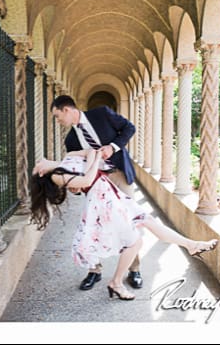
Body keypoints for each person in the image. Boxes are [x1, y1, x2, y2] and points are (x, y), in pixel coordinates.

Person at [30, 150, 217, 300]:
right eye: (37, 164)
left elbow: (90, 152)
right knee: (135, 243)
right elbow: (87, 178)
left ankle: (192, 245)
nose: (40, 159)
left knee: (148, 220)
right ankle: (116, 283)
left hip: (111, 193)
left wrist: (91, 159)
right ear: (40, 171)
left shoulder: (67, 158)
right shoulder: (57, 176)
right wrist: (93, 162)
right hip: (102, 201)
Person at [51, 95, 142, 291]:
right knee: (92, 225)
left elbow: (129, 128)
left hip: (118, 174)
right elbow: (78, 168)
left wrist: (113, 146)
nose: (58, 121)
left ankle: (134, 269)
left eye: (58, 116)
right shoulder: (71, 140)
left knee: (130, 221)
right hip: (94, 183)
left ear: (67, 109)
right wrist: (75, 187)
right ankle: (94, 271)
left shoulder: (101, 113)